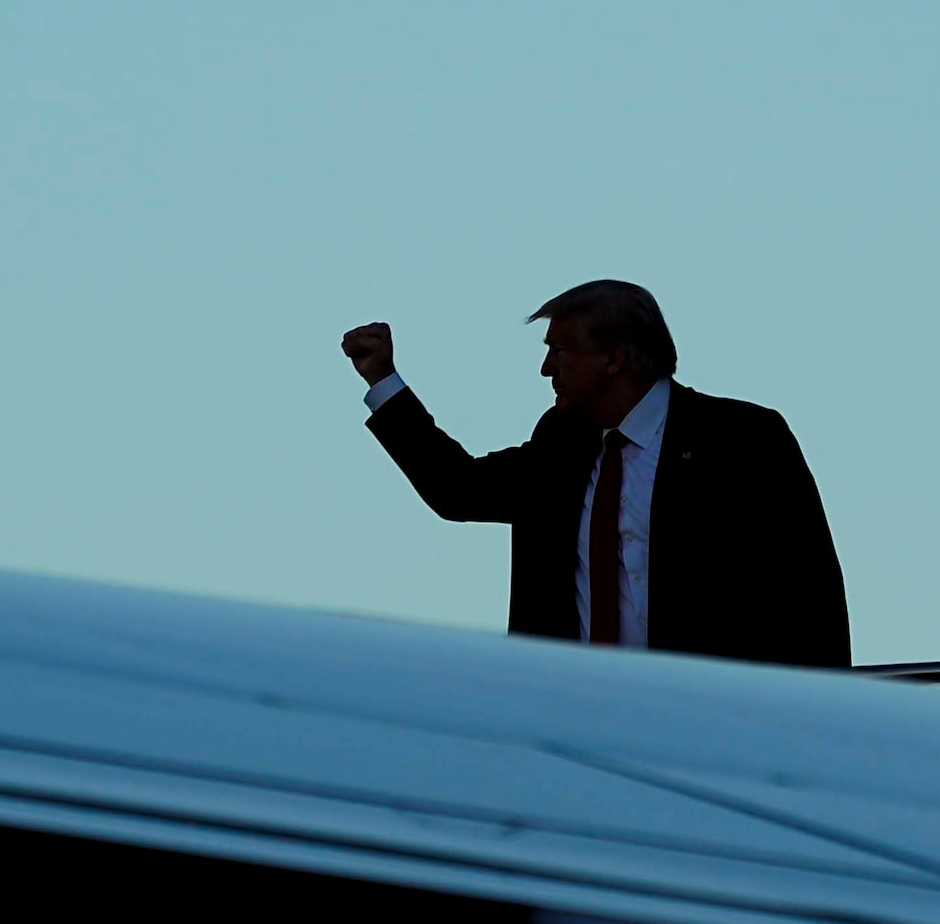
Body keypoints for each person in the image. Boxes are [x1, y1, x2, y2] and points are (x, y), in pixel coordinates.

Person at [340, 281, 850, 667]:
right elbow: (459, 490)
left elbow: (811, 595)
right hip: (579, 729)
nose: (546, 369)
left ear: (614, 358)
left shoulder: (742, 440)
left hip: (711, 727)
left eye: (558, 350)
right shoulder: (561, 443)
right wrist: (383, 381)